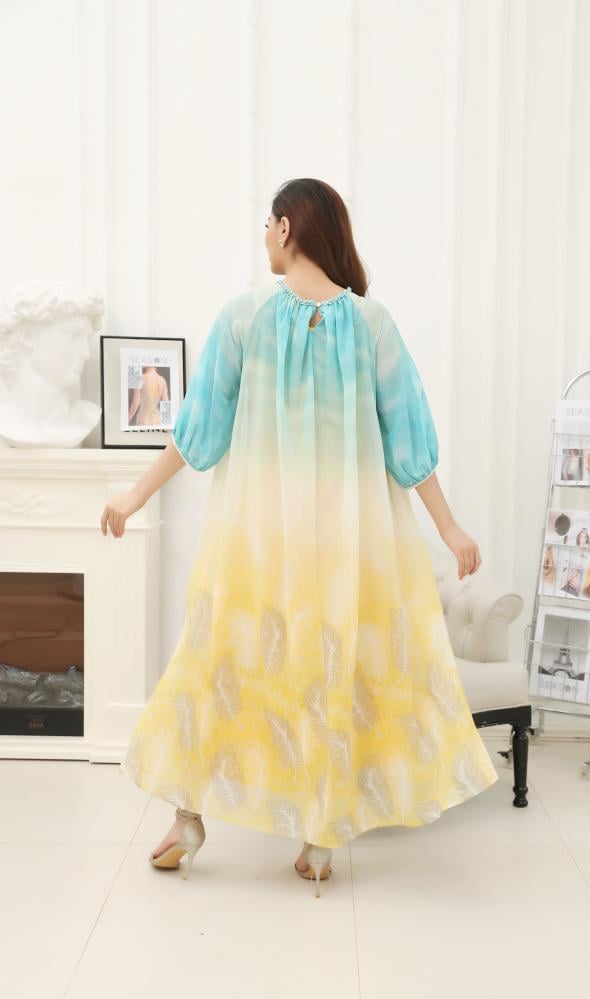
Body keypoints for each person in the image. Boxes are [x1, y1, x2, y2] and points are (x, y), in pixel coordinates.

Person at [101, 177, 499, 897]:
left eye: (268, 225)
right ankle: (319, 838)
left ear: (286, 228)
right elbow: (409, 445)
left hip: (255, 544)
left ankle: (189, 818)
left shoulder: (245, 317)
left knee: (217, 666)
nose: (264, 238)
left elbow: (198, 433)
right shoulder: (373, 324)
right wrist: (447, 525)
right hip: (347, 548)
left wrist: (135, 494)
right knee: (327, 676)